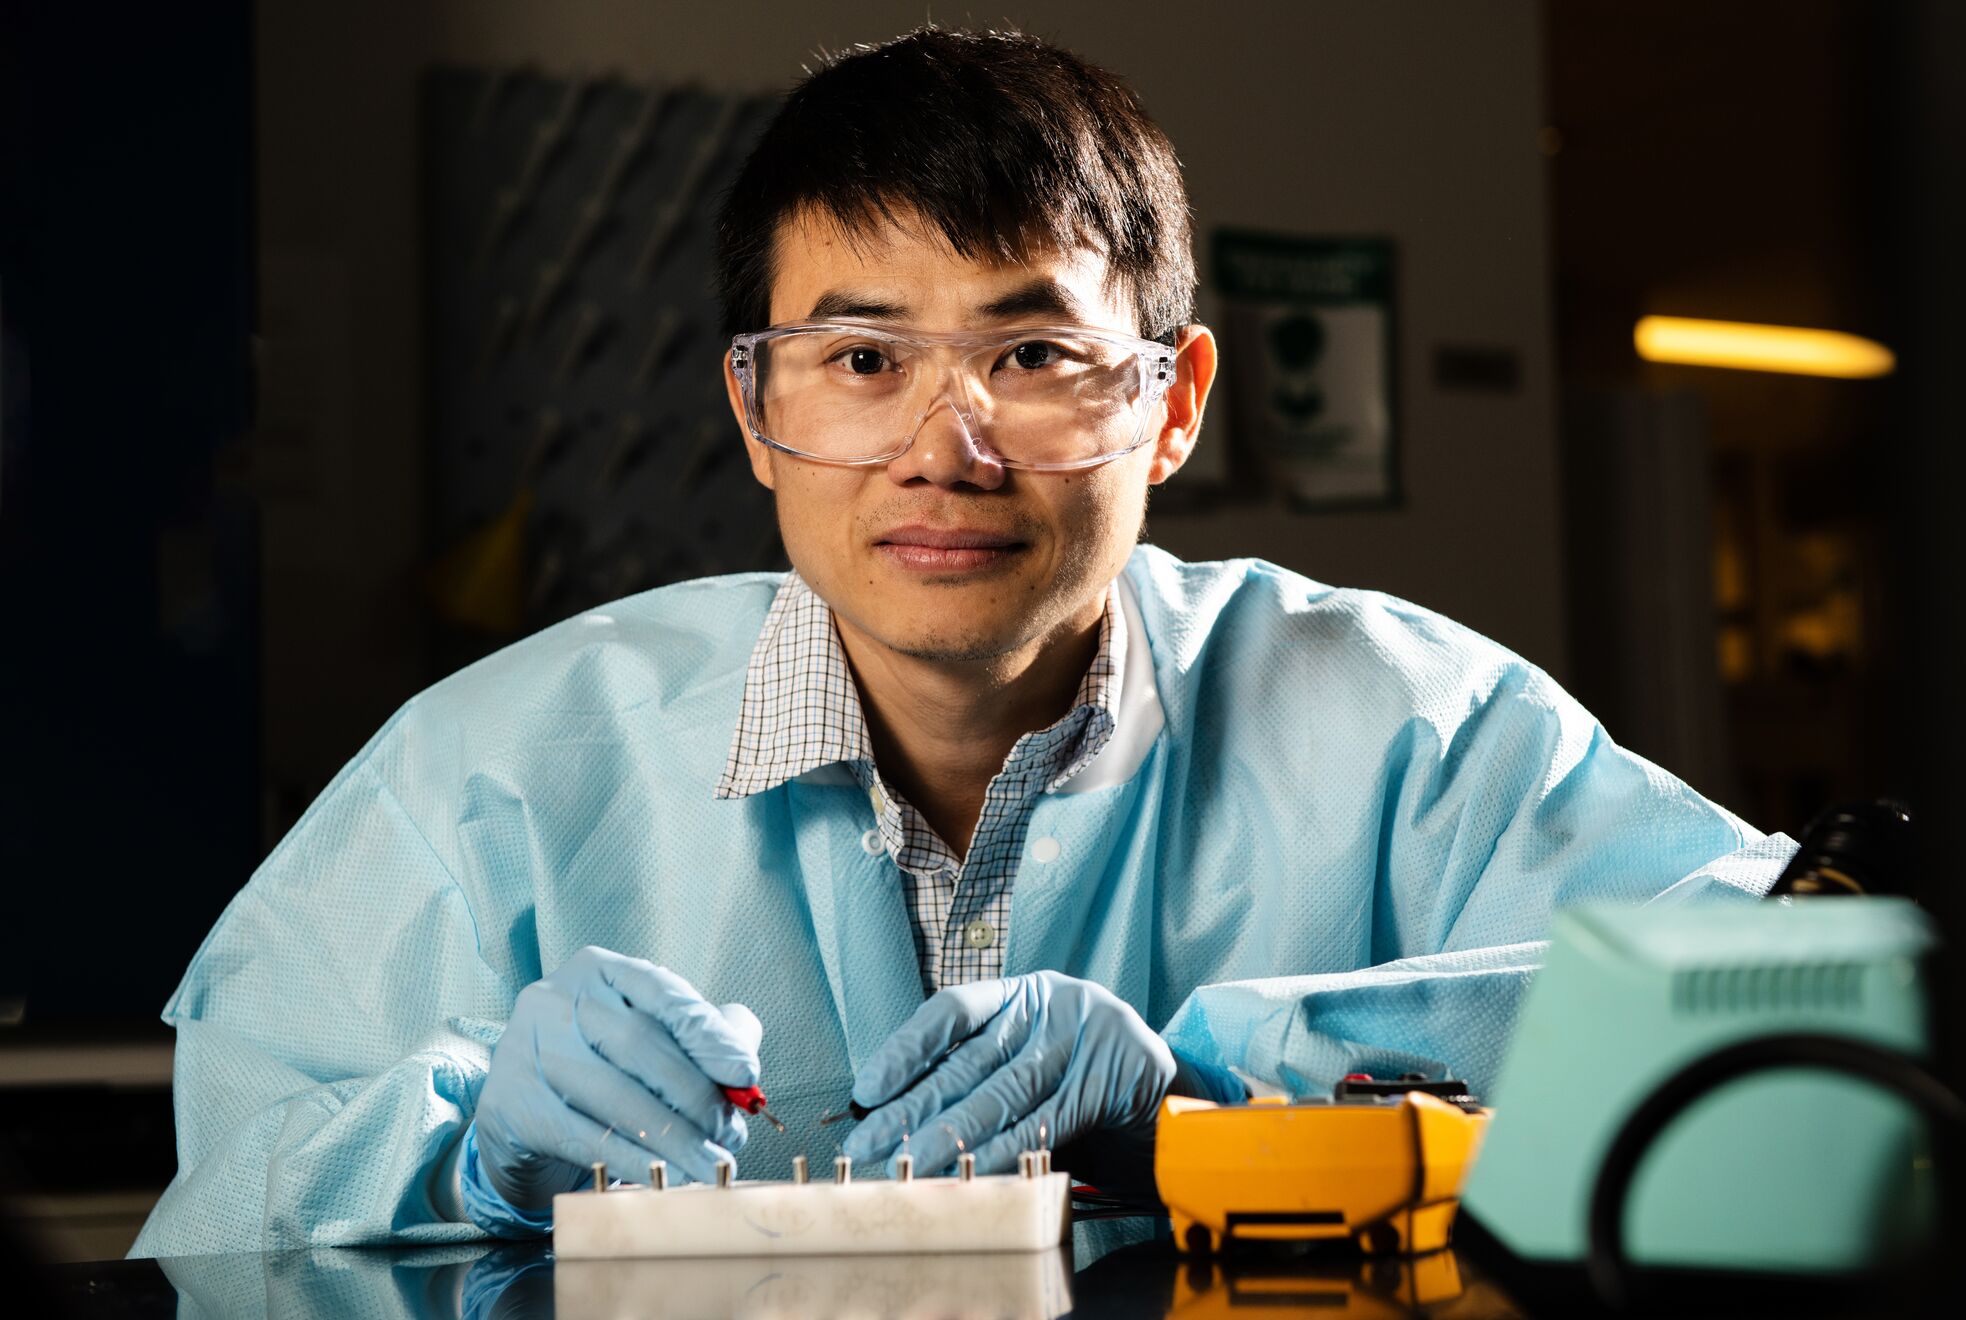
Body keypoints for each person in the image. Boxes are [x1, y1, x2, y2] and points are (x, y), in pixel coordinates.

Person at [131, 28, 1791, 1256]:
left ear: (1173, 406)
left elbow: (1796, 1058)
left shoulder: (1405, 730)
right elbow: (211, 1213)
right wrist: (466, 1153)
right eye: (860, 358)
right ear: (755, 407)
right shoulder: (485, 773)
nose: (949, 446)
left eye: (1037, 355)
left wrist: (1221, 1105)